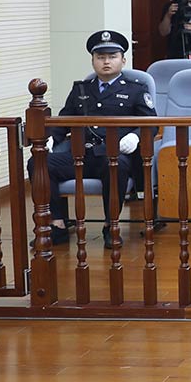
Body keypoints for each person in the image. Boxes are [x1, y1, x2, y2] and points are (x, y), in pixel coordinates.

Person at [31, 30, 156, 248]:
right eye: (100, 57)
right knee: (38, 163)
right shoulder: (81, 89)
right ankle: (57, 224)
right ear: (93, 61)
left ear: (123, 60)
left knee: (114, 165)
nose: (106, 62)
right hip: (81, 154)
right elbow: (64, 120)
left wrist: (135, 137)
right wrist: (50, 138)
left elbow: (152, 123)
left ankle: (111, 226)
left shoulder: (136, 89)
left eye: (112, 56)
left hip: (115, 154)